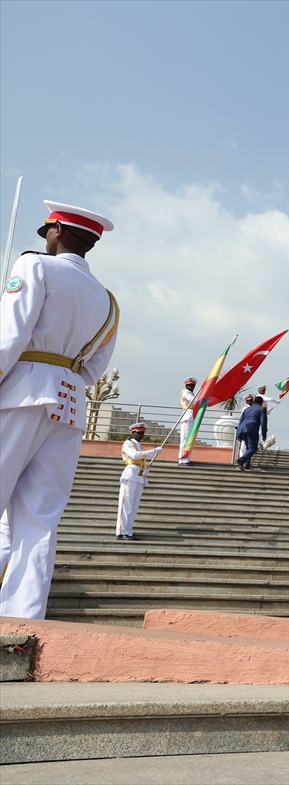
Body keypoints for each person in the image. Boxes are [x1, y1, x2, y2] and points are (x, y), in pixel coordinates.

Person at [1, 202, 119, 620]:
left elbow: (9, 336)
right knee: (40, 517)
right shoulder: (107, 300)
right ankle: (21, 618)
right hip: (69, 401)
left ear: (56, 232)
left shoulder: (35, 267)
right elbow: (95, 369)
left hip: (20, 390)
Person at [116, 423, 162, 540]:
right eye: (138, 432)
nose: (140, 435)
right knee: (126, 504)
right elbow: (134, 455)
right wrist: (153, 451)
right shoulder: (128, 443)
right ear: (133, 432)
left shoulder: (139, 446)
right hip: (130, 474)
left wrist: (145, 470)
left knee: (134, 506)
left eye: (142, 433)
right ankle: (121, 531)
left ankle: (129, 531)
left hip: (139, 475)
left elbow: (141, 459)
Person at [236, 396, 268, 471]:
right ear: (261, 403)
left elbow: (241, 421)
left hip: (242, 429)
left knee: (248, 447)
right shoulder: (262, 409)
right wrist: (264, 434)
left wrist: (238, 434)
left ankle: (247, 464)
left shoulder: (247, 409)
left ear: (253, 402)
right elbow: (263, 423)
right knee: (253, 448)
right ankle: (241, 460)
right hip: (252, 429)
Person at [178, 378, 197, 465]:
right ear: (186, 385)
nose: (191, 386)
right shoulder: (185, 392)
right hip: (187, 415)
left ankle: (186, 458)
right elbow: (194, 401)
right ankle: (182, 459)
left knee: (189, 439)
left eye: (193, 385)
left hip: (192, 416)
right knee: (185, 439)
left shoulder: (191, 393)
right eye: (189, 385)